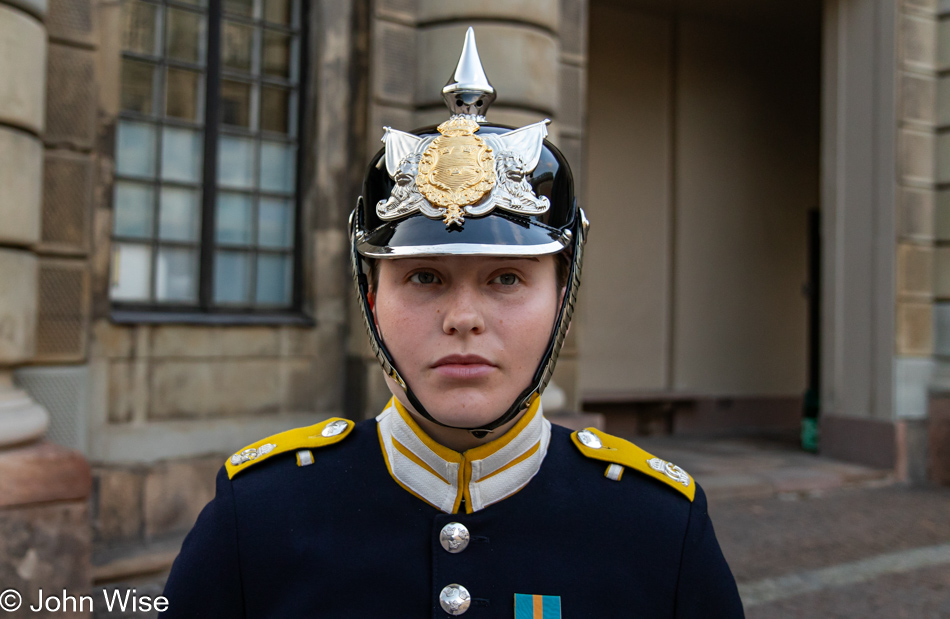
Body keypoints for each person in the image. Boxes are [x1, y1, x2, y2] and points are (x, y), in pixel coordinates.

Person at [159, 28, 744, 618]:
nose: (463, 319)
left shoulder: (661, 530)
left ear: (563, 294)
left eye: (507, 279)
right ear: (370, 295)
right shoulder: (257, 515)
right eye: (424, 277)